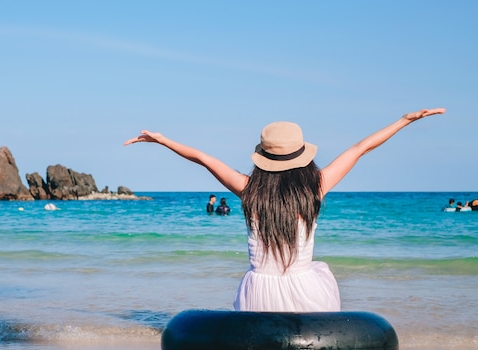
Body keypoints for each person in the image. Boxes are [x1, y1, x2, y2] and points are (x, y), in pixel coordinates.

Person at [124, 108, 445, 312]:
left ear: (263, 156)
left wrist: (164, 140)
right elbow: (360, 149)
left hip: (257, 295)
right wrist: (404, 121)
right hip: (307, 294)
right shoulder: (315, 186)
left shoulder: (249, 189)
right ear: (302, 154)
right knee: (320, 270)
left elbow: (204, 158)